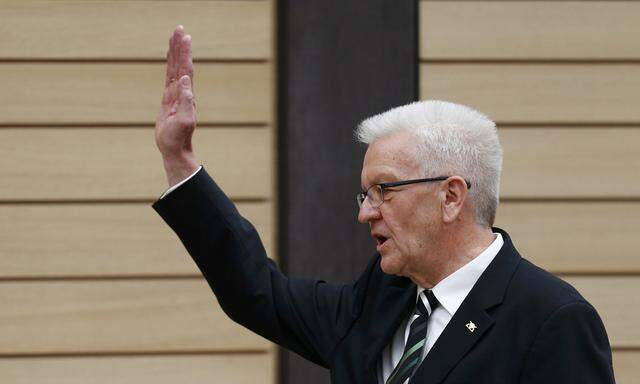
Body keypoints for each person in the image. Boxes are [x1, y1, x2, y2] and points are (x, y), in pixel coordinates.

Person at [153, 26, 615, 383]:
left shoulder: (551, 320)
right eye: (365, 193)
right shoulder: (384, 296)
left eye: (385, 191)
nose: (365, 212)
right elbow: (258, 292)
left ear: (451, 197)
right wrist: (180, 160)